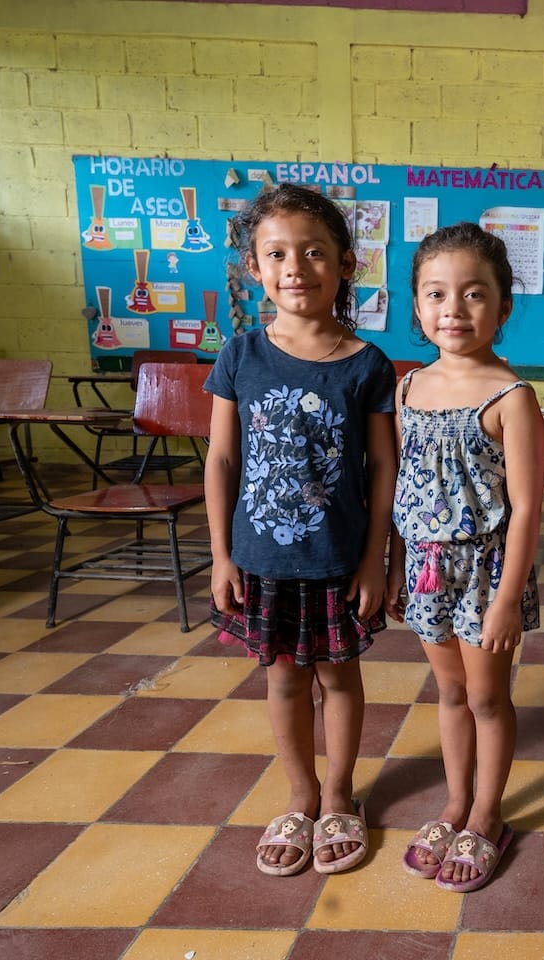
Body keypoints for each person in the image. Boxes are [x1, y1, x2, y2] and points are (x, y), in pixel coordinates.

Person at [205, 182, 398, 877]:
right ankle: (300, 795)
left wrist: (377, 561)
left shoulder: (367, 363)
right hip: (261, 561)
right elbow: (223, 458)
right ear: (254, 268)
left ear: (346, 264)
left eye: (314, 252)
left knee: (340, 680)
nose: (296, 267)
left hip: (338, 560)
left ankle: (342, 795)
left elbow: (383, 470)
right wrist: (222, 555)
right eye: (277, 253)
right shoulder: (241, 355)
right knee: (284, 681)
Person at [388, 222, 544, 893]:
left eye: (474, 294)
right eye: (437, 294)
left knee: (486, 695)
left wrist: (508, 597)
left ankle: (487, 814)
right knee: (448, 691)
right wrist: (396, 566)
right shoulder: (407, 389)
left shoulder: (512, 397)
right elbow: (401, 487)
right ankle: (454, 802)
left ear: (503, 308)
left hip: (485, 573)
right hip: (425, 567)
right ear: (418, 308)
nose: (454, 309)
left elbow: (529, 509)